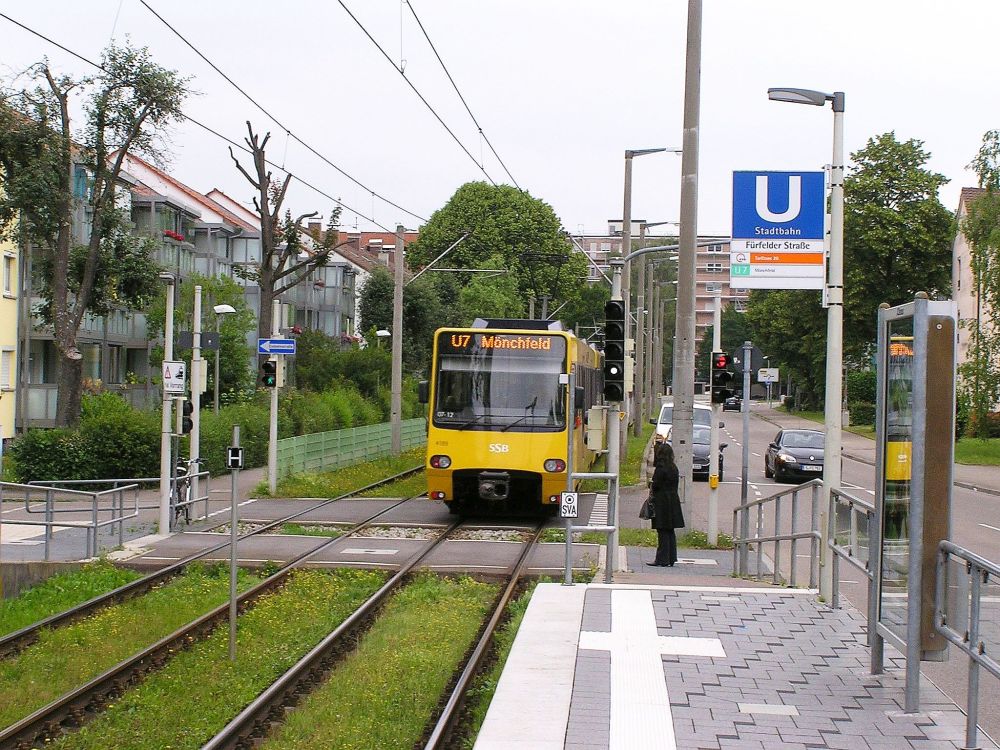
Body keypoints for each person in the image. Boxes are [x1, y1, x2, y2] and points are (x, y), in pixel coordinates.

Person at [649, 441, 684, 566]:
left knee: (662, 530)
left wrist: (651, 485)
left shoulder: (661, 468)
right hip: (673, 501)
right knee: (670, 530)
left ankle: (662, 559)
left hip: (662, 502)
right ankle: (671, 557)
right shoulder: (674, 467)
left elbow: (656, 485)